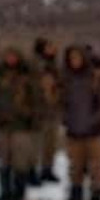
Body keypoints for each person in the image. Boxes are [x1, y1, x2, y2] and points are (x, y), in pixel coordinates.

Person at [0, 47, 41, 200]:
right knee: (3, 160)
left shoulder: (27, 75)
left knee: (20, 160)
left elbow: (36, 99)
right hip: (2, 124)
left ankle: (19, 192)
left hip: (22, 124)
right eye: (8, 56)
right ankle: (4, 192)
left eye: (13, 56)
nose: (10, 58)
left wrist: (33, 119)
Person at [60, 45, 100, 200]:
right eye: (71, 58)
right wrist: (66, 118)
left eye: (77, 57)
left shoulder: (95, 78)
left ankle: (96, 197)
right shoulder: (66, 79)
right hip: (73, 130)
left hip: (93, 131)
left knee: (96, 166)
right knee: (75, 166)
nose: (75, 61)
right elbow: (62, 102)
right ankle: (76, 197)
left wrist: (92, 120)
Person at [34, 38, 62, 183]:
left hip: (53, 109)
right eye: (49, 47)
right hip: (39, 110)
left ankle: (48, 170)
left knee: (51, 143)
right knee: (38, 143)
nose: (52, 49)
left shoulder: (55, 65)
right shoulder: (37, 64)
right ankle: (34, 171)